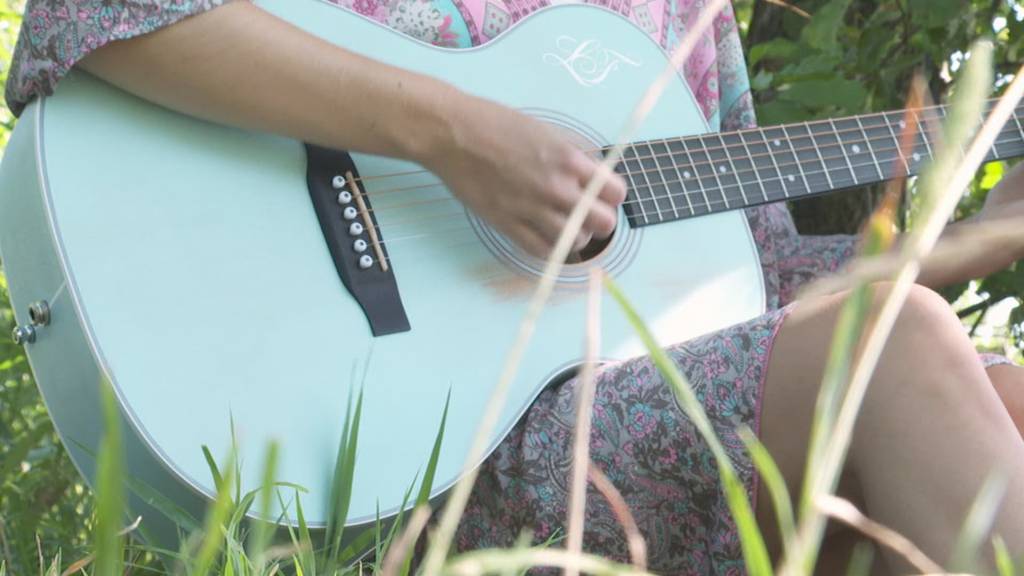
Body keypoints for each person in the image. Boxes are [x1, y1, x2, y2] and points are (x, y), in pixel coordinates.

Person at [6, 0, 1024, 572]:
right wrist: (448, 133)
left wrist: (969, 242)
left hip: (613, 400)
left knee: (996, 394)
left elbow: (748, 289)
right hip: (446, 441)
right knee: (901, 352)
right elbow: (85, 15)